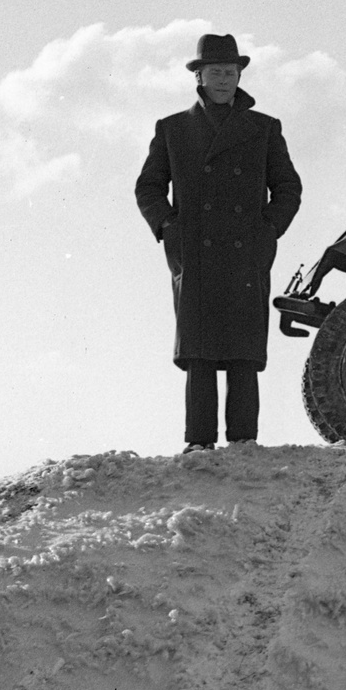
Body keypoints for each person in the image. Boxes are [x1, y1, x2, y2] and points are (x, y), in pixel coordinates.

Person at [135, 33, 302, 452]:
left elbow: (288, 187)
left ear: (240, 75)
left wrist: (269, 229)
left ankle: (244, 442)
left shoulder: (264, 128)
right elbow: (148, 187)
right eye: (216, 72)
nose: (224, 80)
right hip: (196, 250)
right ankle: (198, 443)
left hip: (247, 249)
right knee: (200, 353)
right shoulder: (173, 129)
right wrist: (169, 229)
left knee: (244, 352)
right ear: (199, 76)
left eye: (231, 72)